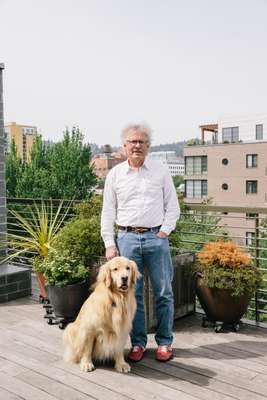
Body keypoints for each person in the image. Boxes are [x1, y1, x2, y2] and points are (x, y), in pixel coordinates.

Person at [101, 123, 180, 362]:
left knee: (164, 292)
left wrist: (164, 232)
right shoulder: (115, 175)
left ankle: (165, 343)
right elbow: (107, 211)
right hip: (126, 239)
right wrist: (109, 242)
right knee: (131, 295)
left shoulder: (160, 171)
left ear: (148, 146)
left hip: (156, 238)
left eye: (141, 142)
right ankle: (138, 343)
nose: (137, 145)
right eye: (132, 141)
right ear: (124, 146)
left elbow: (172, 207)